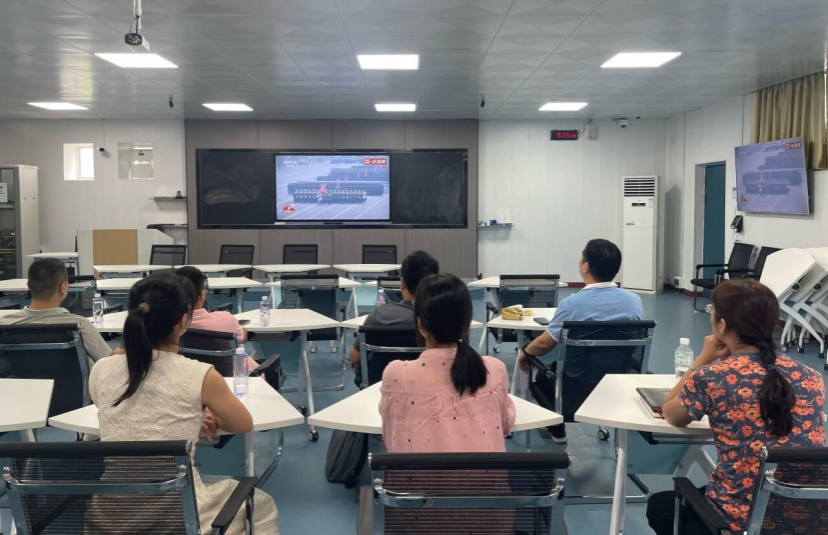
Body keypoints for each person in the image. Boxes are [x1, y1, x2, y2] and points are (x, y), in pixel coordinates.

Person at [89, 274, 279, 534]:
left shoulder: (101, 369)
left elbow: (122, 409)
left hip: (111, 517)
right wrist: (192, 414)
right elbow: (242, 424)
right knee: (262, 503)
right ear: (182, 321)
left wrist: (185, 415)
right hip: (177, 517)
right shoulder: (200, 375)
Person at [647, 279, 825, 534]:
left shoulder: (713, 377)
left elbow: (671, 413)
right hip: (809, 519)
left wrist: (702, 359)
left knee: (660, 506)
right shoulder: (812, 377)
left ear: (721, 324)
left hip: (738, 522)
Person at [517, 238, 643, 443]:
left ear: (585, 266)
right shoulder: (634, 302)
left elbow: (544, 344)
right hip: (616, 385)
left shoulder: (572, 304)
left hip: (574, 389)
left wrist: (525, 353)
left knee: (540, 377)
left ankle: (557, 429)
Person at [380, 273, 515, 453]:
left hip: (417, 472)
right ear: (466, 322)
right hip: (482, 472)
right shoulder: (494, 370)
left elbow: (390, 435)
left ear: (419, 324)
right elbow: (505, 425)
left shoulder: (395, 375)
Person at [0, 257, 121, 363]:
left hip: (19, 382)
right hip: (70, 383)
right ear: (63, 287)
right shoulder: (80, 325)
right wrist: (118, 353)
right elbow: (107, 363)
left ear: (28, 285)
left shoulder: (4, 324)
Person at [349, 250, 439, 385]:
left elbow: (354, 356)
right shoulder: (444, 317)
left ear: (402, 283)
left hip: (382, 385)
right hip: (429, 384)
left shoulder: (380, 315)